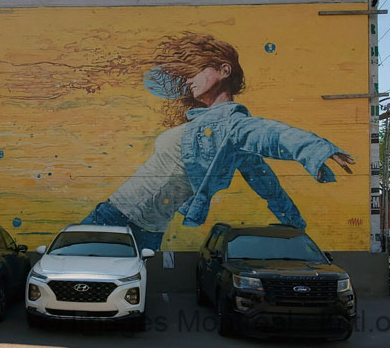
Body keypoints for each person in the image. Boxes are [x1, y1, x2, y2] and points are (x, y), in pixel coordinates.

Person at [81, 33, 354, 251]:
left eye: (195, 70)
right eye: (185, 75)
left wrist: (317, 150)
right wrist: (295, 223)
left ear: (224, 70)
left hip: (139, 226)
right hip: (119, 213)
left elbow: (270, 134)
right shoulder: (205, 125)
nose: (189, 80)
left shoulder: (233, 125)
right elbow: (268, 185)